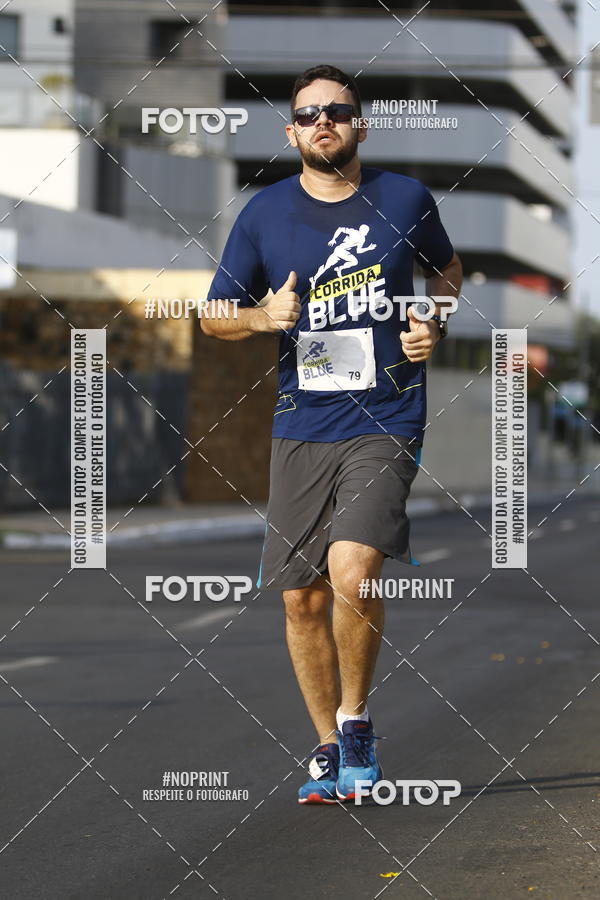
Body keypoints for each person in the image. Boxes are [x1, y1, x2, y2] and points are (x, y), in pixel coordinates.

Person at [202, 64, 462, 804]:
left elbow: (447, 270)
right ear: (292, 133)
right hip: (302, 421)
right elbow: (213, 315)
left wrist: (430, 320)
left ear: (360, 125)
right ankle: (325, 746)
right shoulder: (264, 214)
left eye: (338, 111)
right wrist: (262, 318)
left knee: (352, 571)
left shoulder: (404, 198)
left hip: (387, 415)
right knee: (302, 600)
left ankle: (356, 723)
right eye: (309, 114)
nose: (324, 122)